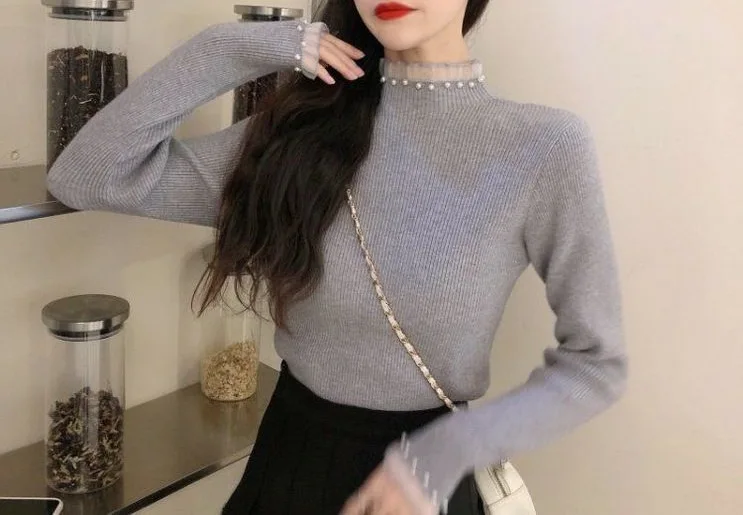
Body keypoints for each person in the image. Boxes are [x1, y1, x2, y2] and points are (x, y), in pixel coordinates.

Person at [47, 0, 628, 513]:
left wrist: (450, 451)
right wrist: (233, 46)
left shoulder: (543, 148)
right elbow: (85, 175)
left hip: (423, 485)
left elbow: (595, 363)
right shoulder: (294, 139)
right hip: (285, 469)